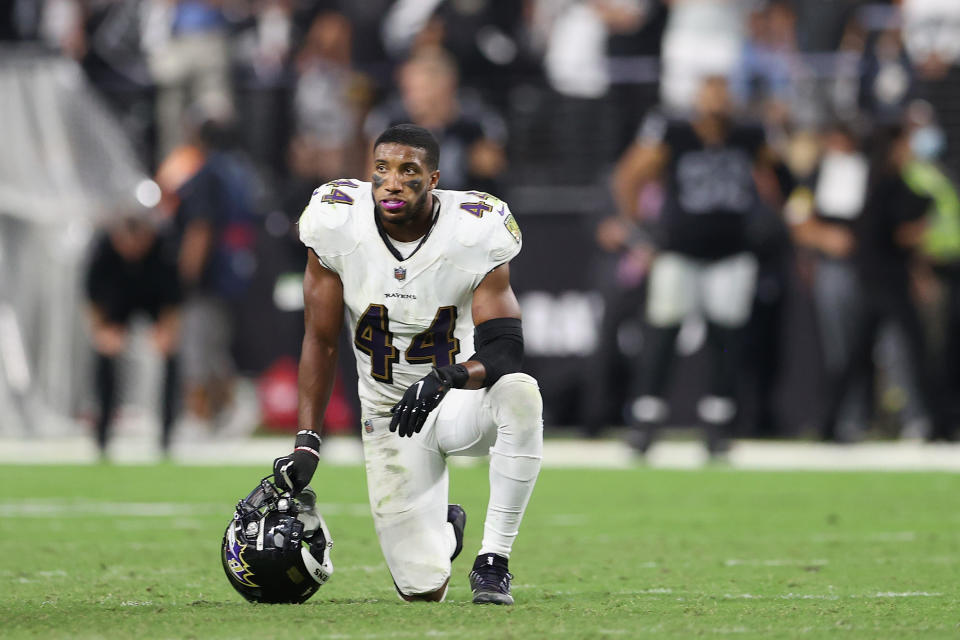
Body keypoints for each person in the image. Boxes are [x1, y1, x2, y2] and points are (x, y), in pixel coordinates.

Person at [271, 124, 543, 605]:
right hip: (388, 415)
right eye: (381, 169)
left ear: (433, 180)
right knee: (421, 589)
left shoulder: (474, 228)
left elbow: (506, 347)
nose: (391, 182)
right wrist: (308, 439)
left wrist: (449, 377)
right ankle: (447, 529)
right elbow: (320, 340)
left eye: (407, 171)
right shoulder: (336, 221)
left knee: (521, 392)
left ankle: (493, 562)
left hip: (457, 399)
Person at [613, 75, 777, 455]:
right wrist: (638, 229)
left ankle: (718, 421)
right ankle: (646, 419)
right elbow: (629, 175)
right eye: (711, 91)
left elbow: (776, 177)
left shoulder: (749, 134)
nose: (718, 101)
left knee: (726, 338)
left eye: (723, 91)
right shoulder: (674, 132)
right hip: (679, 251)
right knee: (663, 334)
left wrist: (774, 219)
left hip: (732, 251)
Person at [85, 215, 181, 456]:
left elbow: (174, 298)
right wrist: (101, 331)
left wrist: (166, 333)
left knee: (171, 358)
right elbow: (92, 296)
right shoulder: (103, 251)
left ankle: (167, 435)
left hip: (154, 301)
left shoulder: (164, 250)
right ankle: (102, 435)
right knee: (104, 357)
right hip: (117, 303)